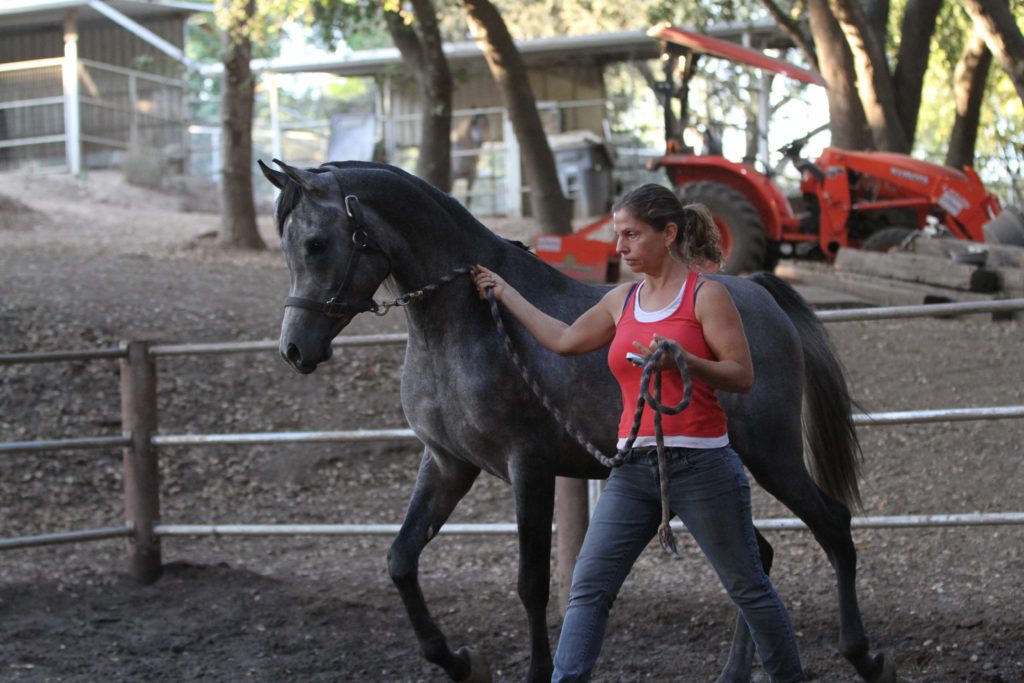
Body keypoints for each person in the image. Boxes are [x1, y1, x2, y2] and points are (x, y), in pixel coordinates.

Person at [471, 183, 804, 682]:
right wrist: (504, 292)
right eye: (618, 235)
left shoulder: (706, 296)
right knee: (589, 589)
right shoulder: (621, 300)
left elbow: (742, 374)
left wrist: (684, 359)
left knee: (749, 589)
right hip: (632, 469)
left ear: (668, 234)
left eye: (631, 235)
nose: (621, 246)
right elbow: (562, 339)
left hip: (702, 467)